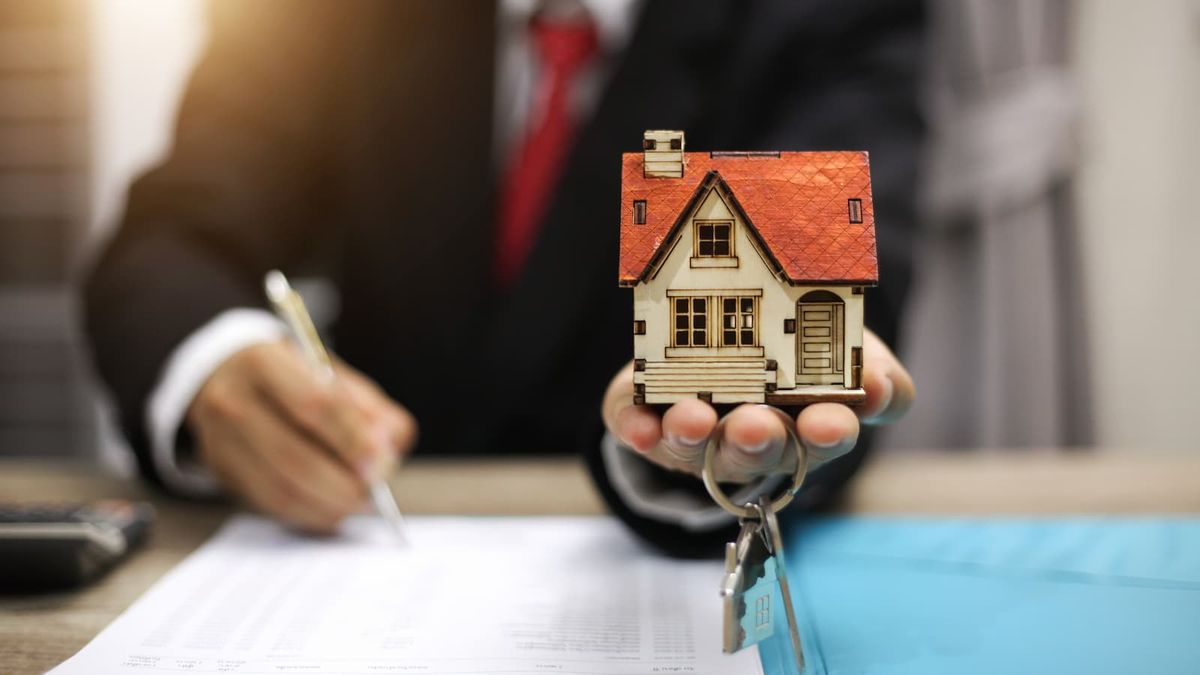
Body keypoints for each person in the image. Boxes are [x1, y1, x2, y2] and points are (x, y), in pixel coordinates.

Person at [84, 0, 920, 556]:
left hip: (653, 549)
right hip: (355, 529)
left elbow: (835, 267)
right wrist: (214, 363)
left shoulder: (820, 12)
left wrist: (725, 444)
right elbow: (172, 236)